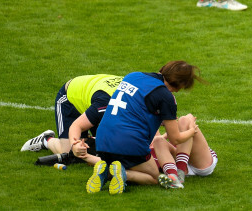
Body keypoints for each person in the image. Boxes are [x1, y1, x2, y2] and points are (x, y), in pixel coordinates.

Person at [83, 61, 205, 194]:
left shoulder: (133, 76)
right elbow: (175, 139)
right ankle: (113, 174)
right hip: (129, 142)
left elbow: (137, 107)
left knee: (120, 160)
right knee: (154, 177)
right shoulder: (166, 96)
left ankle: (105, 168)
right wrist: (192, 131)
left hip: (102, 139)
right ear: (181, 84)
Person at [21, 74, 123, 166]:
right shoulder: (105, 104)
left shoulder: (131, 102)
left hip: (95, 95)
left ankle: (90, 139)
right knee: (69, 151)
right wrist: (75, 144)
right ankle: (46, 140)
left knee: (109, 147)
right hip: (70, 98)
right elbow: (77, 125)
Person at [151, 114, 218, 184]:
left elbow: (190, 117)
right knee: (158, 140)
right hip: (174, 163)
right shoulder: (147, 146)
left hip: (198, 162)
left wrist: (171, 127)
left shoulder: (151, 131)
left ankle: (180, 170)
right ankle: (175, 176)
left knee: (184, 120)